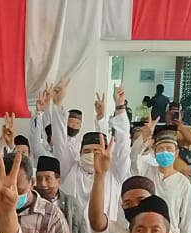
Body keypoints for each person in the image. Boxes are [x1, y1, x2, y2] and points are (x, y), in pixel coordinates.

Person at [50, 86, 131, 224]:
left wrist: (119, 107)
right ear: (79, 153)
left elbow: (122, 143)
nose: (92, 156)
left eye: (97, 152)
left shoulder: (114, 173)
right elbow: (59, 141)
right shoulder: (70, 169)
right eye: (87, 151)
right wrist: (57, 105)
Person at [131, 120, 191, 233]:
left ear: (176, 153)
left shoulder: (182, 182)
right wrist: (142, 138)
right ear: (154, 152)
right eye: (161, 149)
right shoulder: (146, 172)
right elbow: (133, 158)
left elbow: (187, 215)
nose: (165, 152)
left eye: (169, 149)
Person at [33, 156, 91, 233]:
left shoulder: (72, 205)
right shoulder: (31, 203)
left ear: (58, 181)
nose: (43, 184)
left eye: (47, 178)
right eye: (39, 179)